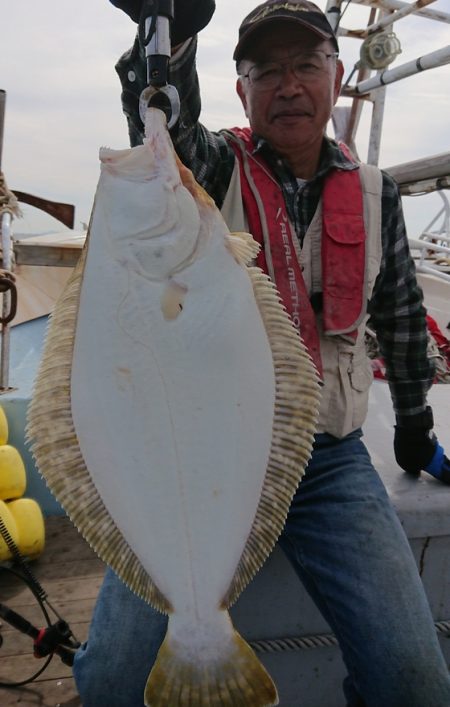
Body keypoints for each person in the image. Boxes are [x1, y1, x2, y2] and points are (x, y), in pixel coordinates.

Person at [73, 1, 450, 705]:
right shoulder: (213, 169)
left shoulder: (376, 193)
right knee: (111, 677)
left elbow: (400, 318)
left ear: (336, 75)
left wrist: (414, 427)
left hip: (330, 463)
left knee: (416, 680)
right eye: (265, 70)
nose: (288, 84)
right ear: (242, 89)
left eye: (306, 64)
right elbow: (166, 125)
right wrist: (169, 39)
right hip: (202, 449)